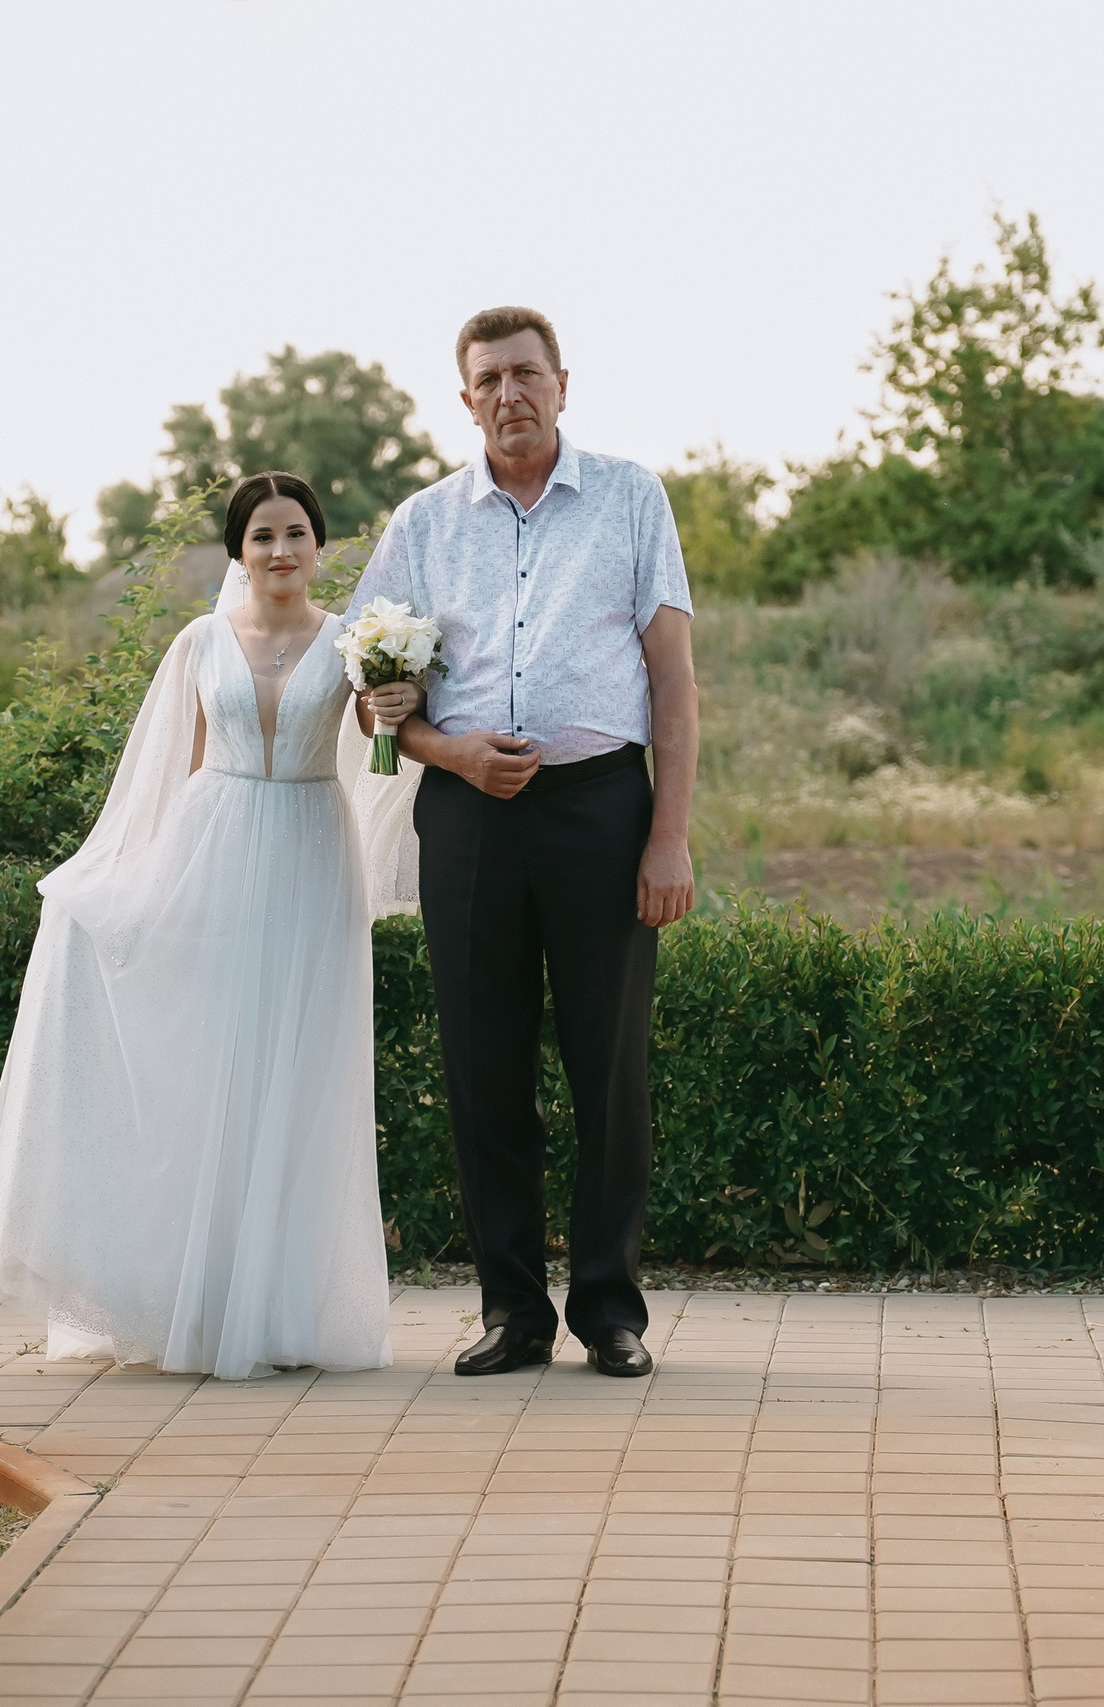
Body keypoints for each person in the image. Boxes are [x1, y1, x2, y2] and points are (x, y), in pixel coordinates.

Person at [0, 473, 420, 1379]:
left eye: (296, 533)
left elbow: (382, 754)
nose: (281, 550)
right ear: (237, 552)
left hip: (312, 856)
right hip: (213, 850)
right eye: (262, 536)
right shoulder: (198, 642)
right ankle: (195, 1303)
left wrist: (392, 704)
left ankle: (282, 1312)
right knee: (213, 1068)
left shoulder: (353, 642)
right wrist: (137, 889)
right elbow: (167, 778)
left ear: (320, 545)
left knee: (298, 1077)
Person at [347, 306, 698, 1379]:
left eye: (526, 374)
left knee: (609, 1068)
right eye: (490, 379)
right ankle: (512, 1313)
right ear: (466, 401)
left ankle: (609, 1312)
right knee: (482, 1068)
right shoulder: (421, 523)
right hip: (468, 818)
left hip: (601, 810)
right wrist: (448, 754)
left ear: (561, 384)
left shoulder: (631, 498)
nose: (510, 394)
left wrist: (669, 838)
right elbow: (373, 702)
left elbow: (674, 682)